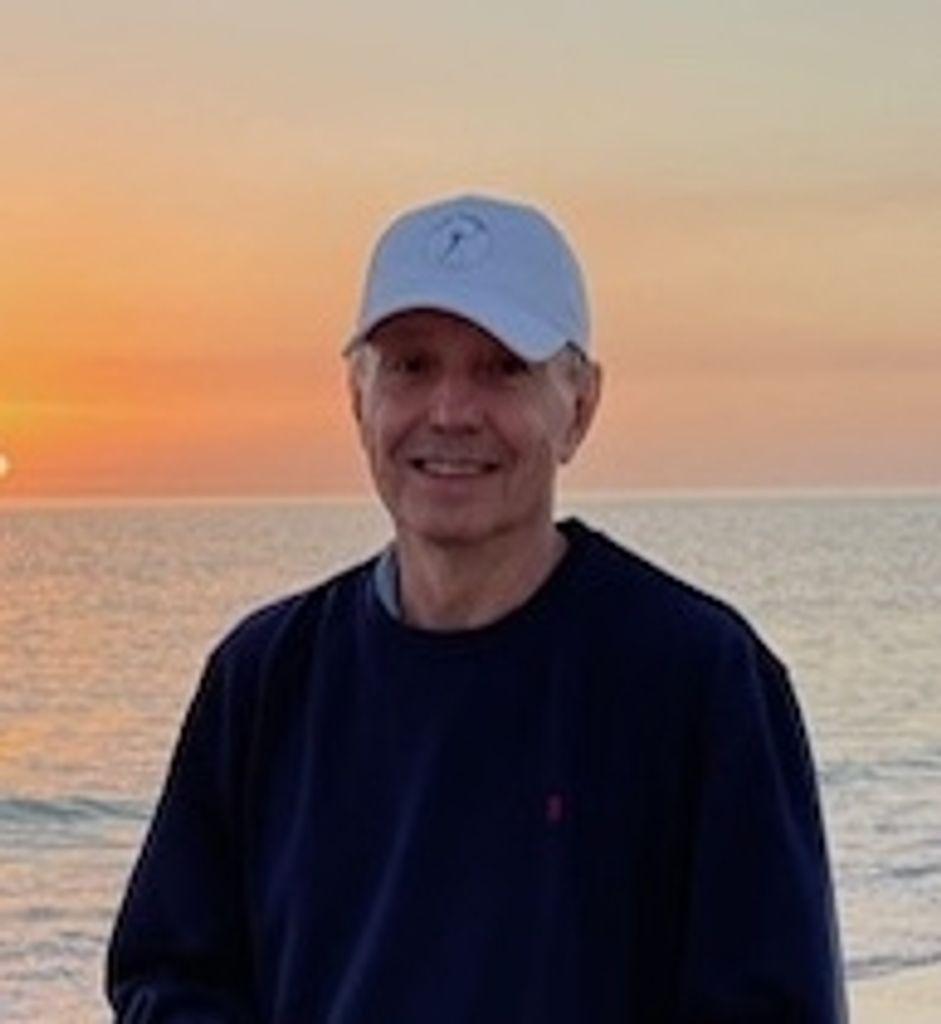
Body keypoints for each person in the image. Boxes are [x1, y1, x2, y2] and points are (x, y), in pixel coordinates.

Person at [107, 194, 846, 1022]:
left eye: (501, 368)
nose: (451, 412)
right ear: (357, 399)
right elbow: (169, 975)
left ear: (579, 406)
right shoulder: (262, 678)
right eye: (411, 366)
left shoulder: (700, 680)